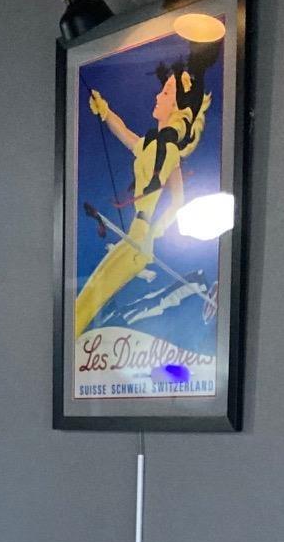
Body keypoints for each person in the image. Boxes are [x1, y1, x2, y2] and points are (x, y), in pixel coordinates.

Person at [74, 57, 213, 336]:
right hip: (137, 235)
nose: (157, 96)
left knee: (88, 300)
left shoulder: (169, 146)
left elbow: (177, 203)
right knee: (89, 297)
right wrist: (105, 111)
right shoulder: (153, 144)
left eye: (166, 94)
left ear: (177, 106)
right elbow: (125, 134)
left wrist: (153, 234)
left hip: (141, 237)